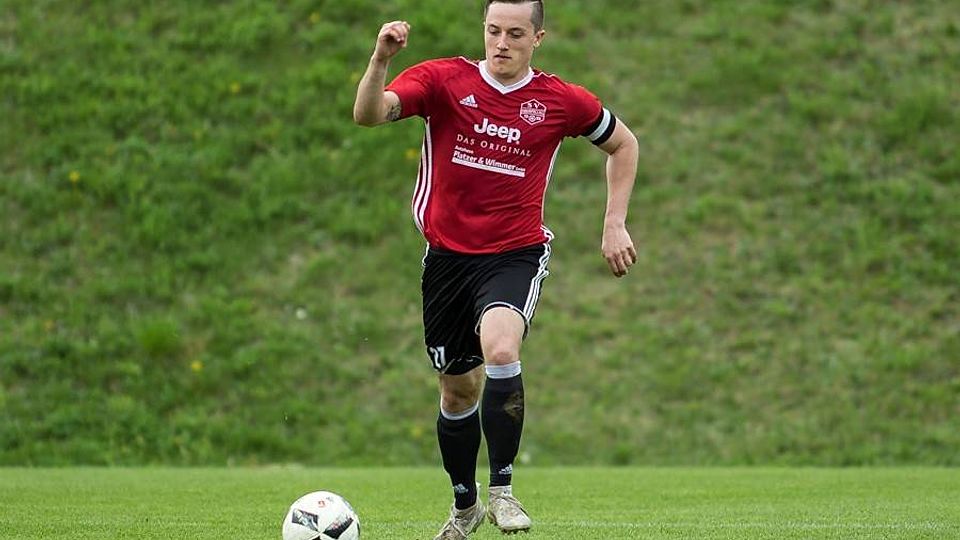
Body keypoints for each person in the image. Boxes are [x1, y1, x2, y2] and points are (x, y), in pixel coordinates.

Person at [353, 1, 638, 538]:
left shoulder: (559, 101)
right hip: (447, 260)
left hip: (514, 253)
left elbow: (624, 144)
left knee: (502, 349)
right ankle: (465, 506)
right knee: (457, 392)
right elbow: (368, 114)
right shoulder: (443, 81)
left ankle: (503, 492)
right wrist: (380, 59)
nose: (501, 43)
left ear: (537, 38)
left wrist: (614, 222)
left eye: (515, 34)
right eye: (493, 31)